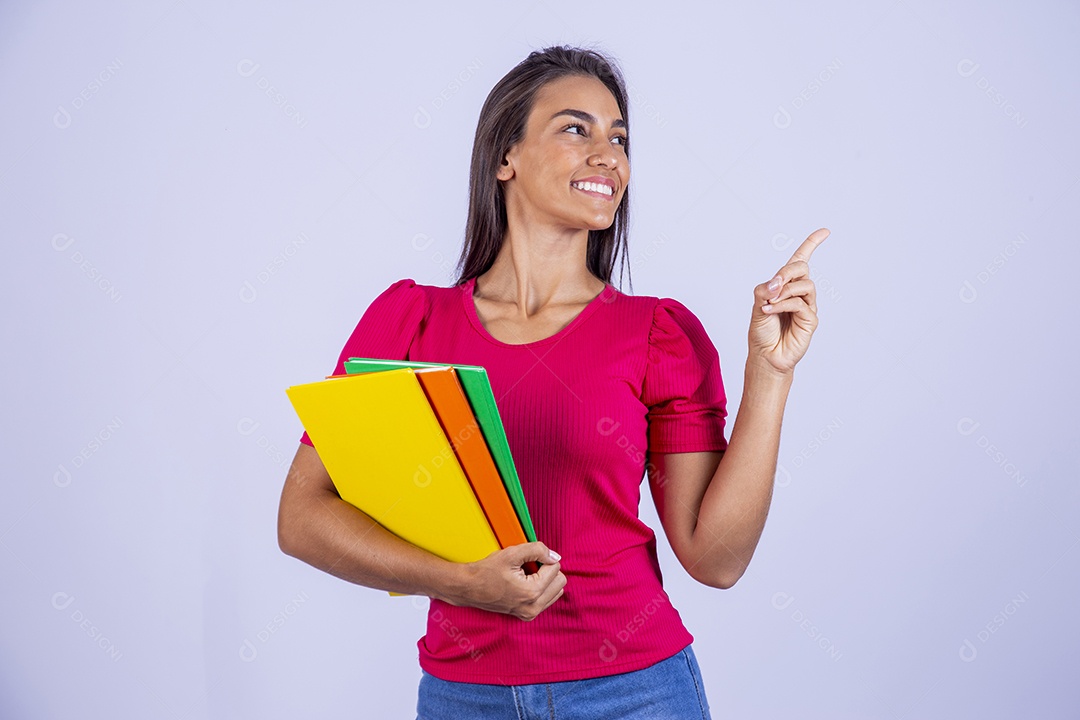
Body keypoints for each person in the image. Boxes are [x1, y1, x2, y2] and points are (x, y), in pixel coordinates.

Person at [277, 45, 828, 719]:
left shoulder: (657, 335)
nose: (608, 155)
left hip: (636, 692)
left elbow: (716, 560)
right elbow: (302, 518)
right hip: (461, 698)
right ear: (505, 157)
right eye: (577, 129)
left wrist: (769, 375)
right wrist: (462, 583)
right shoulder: (408, 324)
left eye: (619, 138)